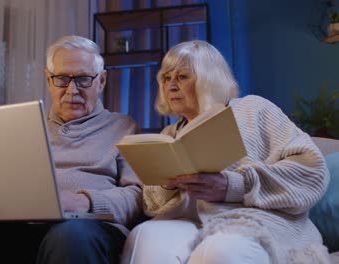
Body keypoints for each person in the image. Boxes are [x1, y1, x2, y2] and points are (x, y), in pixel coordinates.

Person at [0, 35, 143, 264]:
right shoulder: (19, 126)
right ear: (48, 79)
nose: (72, 90)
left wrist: (84, 202)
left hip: (86, 230)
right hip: (17, 231)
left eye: (83, 79)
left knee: (69, 236)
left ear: (101, 81)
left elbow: (137, 196)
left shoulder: (123, 127)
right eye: (62, 78)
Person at [120, 40, 331, 264]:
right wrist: (168, 183)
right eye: (166, 78)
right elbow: (151, 206)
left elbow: (312, 171)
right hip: (188, 222)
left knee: (217, 251)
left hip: (254, 220)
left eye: (182, 77)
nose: (171, 86)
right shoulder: (169, 133)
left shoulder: (253, 109)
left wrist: (234, 186)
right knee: (143, 236)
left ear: (209, 78)